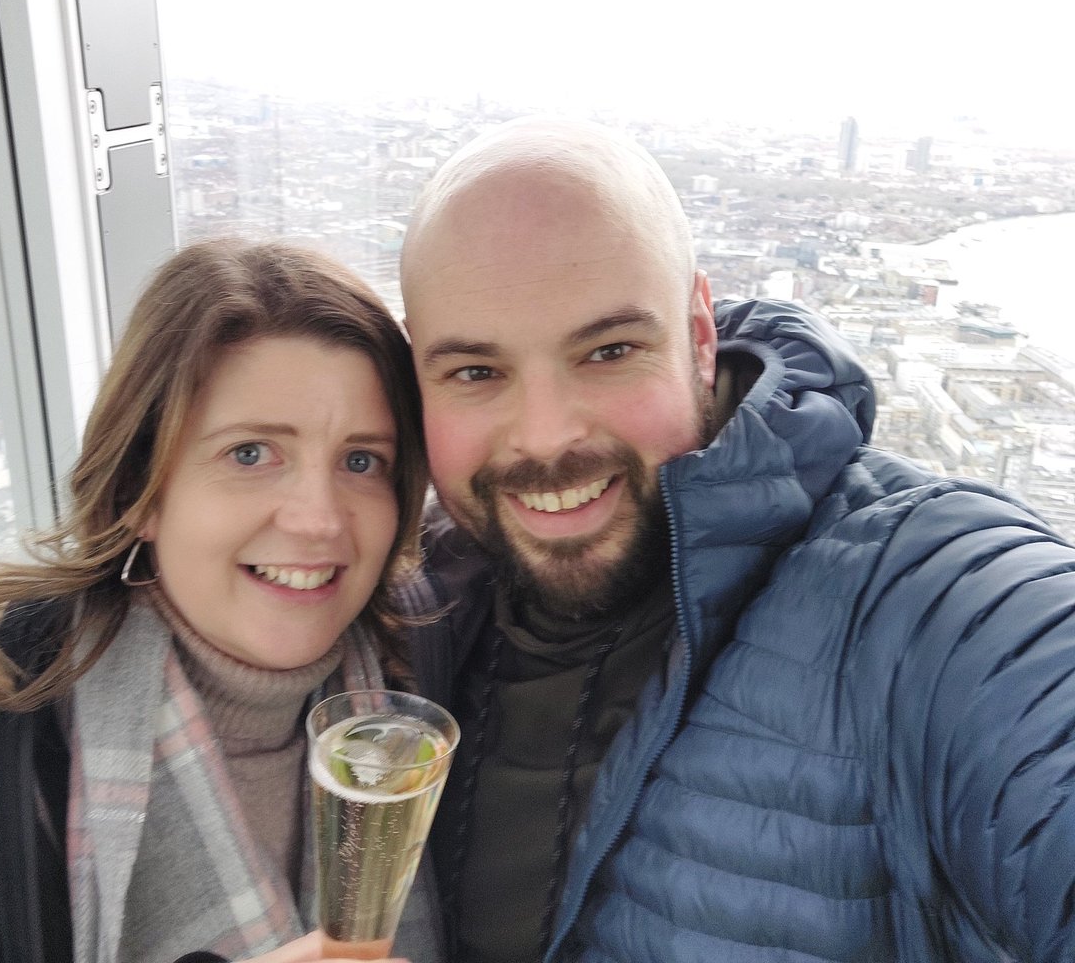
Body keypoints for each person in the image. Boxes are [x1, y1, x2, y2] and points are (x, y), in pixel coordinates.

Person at [399, 117, 1075, 963]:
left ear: (699, 331)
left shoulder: (923, 595)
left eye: (608, 351)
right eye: (475, 372)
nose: (542, 436)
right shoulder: (407, 618)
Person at [0, 238, 442, 963]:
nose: (319, 518)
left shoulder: (430, 676)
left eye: (362, 461)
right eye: (251, 454)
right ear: (141, 491)